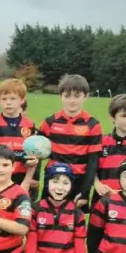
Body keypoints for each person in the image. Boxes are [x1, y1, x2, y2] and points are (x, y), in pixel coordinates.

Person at [39, 74, 102, 210]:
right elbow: (36, 152)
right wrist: (34, 177)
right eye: (67, 96)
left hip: (78, 180)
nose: (72, 101)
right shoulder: (50, 122)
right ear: (60, 96)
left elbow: (93, 162)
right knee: (46, 217)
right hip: (53, 178)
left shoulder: (93, 124)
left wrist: (85, 193)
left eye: (77, 96)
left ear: (85, 97)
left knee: (73, 222)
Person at [0, 78, 39, 188]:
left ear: (22, 100)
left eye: (13, 98)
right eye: (4, 99)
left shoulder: (30, 125)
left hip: (22, 181)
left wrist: (27, 182)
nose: (8, 102)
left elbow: (33, 156)